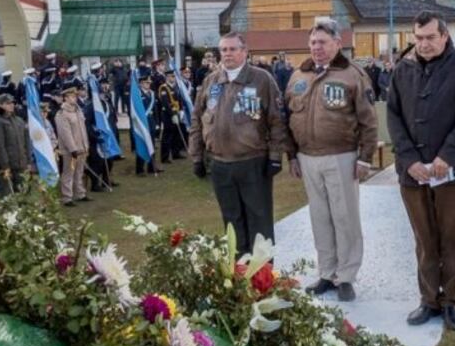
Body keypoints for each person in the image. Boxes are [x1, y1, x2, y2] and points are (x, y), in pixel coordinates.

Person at [387, 11, 455, 332]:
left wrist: (448, 156)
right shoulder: (403, 69)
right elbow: (394, 117)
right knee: (424, 238)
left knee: (453, 238)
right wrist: (409, 159)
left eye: (430, 37)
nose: (424, 44)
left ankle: (451, 302)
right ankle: (428, 299)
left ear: (444, 36)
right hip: (413, 171)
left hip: (452, 170)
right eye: (419, 38)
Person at [285, 19, 378, 302]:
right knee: (320, 218)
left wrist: (364, 158)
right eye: (313, 42)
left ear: (338, 43)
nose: (317, 47)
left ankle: (346, 276)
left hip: (342, 157)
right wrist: (292, 154)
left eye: (323, 42)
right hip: (308, 157)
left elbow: (369, 121)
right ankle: (327, 272)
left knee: (345, 217)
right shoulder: (298, 76)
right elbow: (287, 117)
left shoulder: (353, 75)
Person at [188, 32, 290, 256]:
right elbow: (196, 119)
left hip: (252, 163)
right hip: (221, 165)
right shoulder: (211, 81)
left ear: (244, 51)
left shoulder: (262, 79)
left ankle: (263, 280)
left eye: (233, 49)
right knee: (232, 224)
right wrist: (197, 156)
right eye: (223, 50)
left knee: (259, 223)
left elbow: (276, 120)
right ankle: (238, 277)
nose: (227, 54)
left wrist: (275, 157)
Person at [0, 94, 30, 196]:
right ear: (0, 105)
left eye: (13, 103)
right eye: (8, 103)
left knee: (23, 193)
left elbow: (26, 142)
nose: (12, 105)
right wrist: (5, 166)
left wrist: (28, 160)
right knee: (7, 195)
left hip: (21, 163)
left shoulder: (18, 120)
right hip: (8, 165)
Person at [54, 87, 89, 206]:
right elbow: (65, 133)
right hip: (71, 150)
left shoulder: (78, 111)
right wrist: (73, 149)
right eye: (72, 96)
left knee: (79, 172)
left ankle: (80, 193)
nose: (75, 98)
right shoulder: (62, 114)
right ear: (65, 98)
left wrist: (86, 145)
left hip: (82, 147)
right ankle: (67, 197)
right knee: (68, 173)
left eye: (75, 96)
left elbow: (83, 130)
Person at [132, 72, 161, 176]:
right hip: (142, 123)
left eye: (149, 83)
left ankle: (151, 167)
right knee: (142, 144)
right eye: (146, 83)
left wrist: (157, 123)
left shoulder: (152, 93)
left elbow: (156, 110)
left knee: (152, 144)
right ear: (140, 83)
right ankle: (139, 169)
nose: (148, 85)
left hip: (151, 122)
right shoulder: (137, 95)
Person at [158, 69, 186, 163]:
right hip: (168, 115)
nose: (172, 78)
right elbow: (165, 103)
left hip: (177, 113)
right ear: (166, 77)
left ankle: (175, 153)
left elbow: (180, 99)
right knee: (167, 136)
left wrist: (181, 110)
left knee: (176, 134)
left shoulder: (176, 87)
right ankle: (164, 157)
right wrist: (172, 114)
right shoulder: (164, 88)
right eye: (170, 76)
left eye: (173, 76)